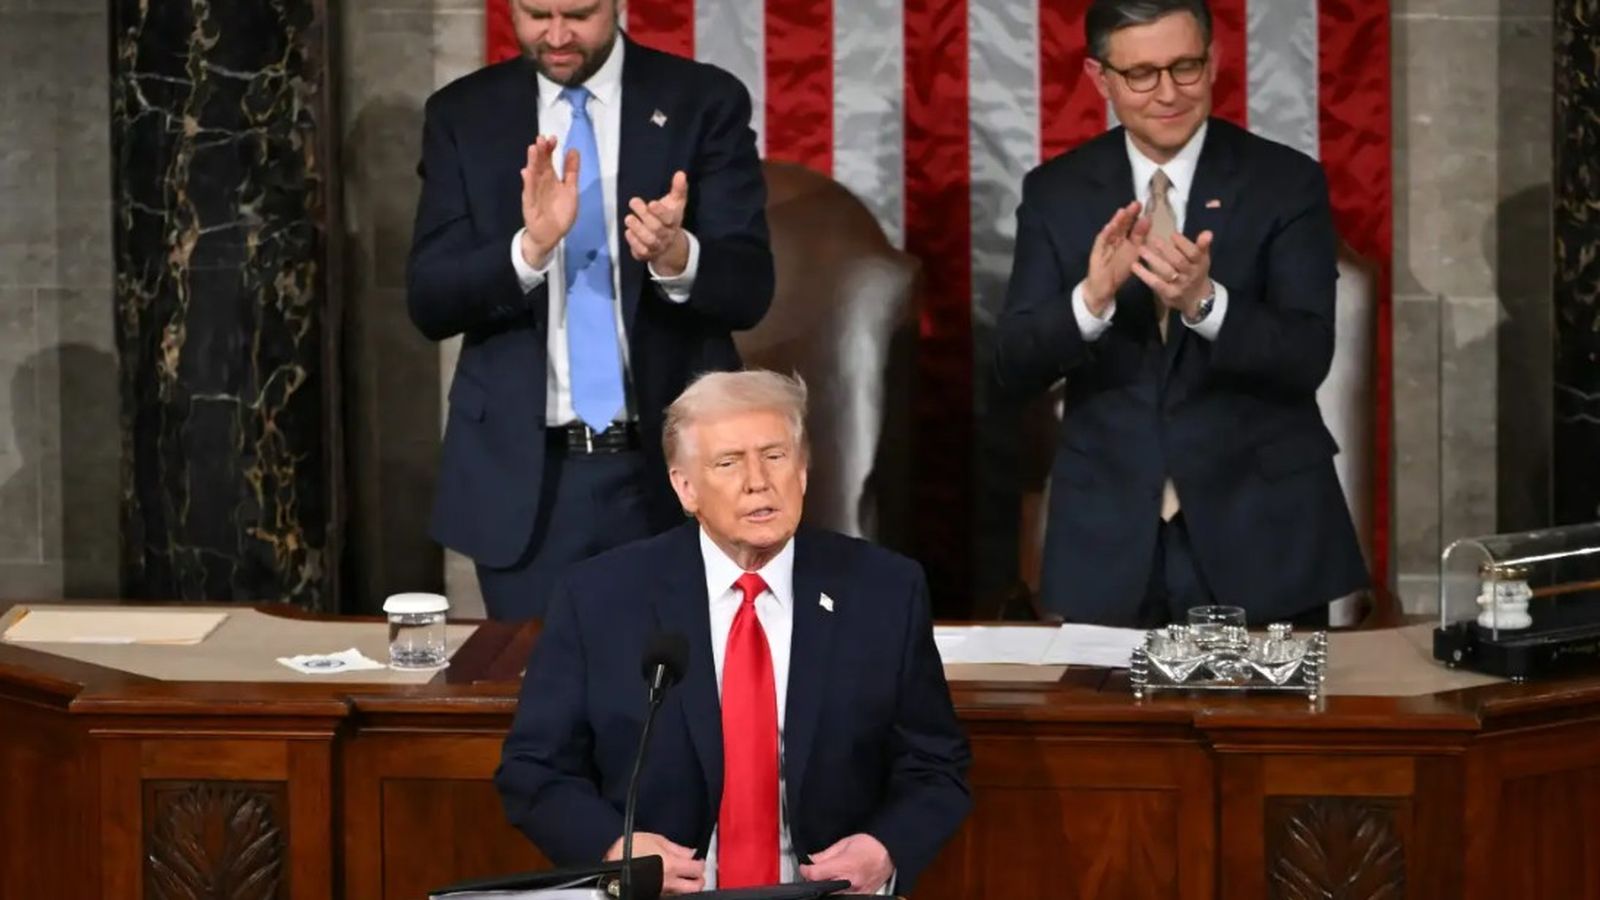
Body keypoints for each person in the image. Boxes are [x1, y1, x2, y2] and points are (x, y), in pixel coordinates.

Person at [495, 370, 972, 895]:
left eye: (775, 455)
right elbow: (534, 769)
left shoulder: (883, 591)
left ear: (804, 470)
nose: (758, 481)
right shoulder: (599, 598)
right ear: (685, 487)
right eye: (728, 462)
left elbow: (935, 765)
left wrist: (884, 849)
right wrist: (614, 849)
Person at [993, 0, 1368, 627]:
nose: (1167, 92)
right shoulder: (1057, 192)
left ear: (1214, 61)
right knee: (1108, 727)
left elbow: (1308, 355)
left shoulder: (1285, 182)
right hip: (1108, 540)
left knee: (1267, 730)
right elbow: (1014, 364)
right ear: (1099, 77)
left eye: (1186, 67)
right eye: (1141, 74)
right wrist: (1092, 301)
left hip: (1262, 531)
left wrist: (1206, 304)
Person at [407, 0, 774, 620]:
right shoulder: (463, 115)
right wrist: (529, 250)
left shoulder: (701, 101)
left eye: (577, 14)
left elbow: (750, 289)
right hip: (529, 481)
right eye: (535, 14)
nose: (555, 36)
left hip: (671, 471)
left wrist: (675, 254)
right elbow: (430, 301)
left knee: (677, 698)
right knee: (547, 701)